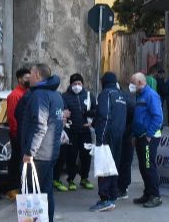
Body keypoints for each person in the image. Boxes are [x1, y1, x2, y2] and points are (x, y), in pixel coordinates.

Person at [3, 64, 64, 222]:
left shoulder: (39, 95)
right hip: (50, 153)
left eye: (31, 74)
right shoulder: (56, 95)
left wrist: (29, 152)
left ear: (37, 75)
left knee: (29, 195)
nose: (29, 77)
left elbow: (39, 126)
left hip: (37, 155)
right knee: (46, 194)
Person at [89, 72, 127, 212]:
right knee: (113, 166)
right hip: (119, 135)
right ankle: (112, 196)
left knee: (104, 167)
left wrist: (100, 137)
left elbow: (104, 116)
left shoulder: (106, 94)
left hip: (107, 136)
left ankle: (105, 199)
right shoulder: (121, 95)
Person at [130, 72, 164, 208]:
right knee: (143, 167)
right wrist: (134, 135)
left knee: (149, 166)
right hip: (140, 136)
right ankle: (148, 193)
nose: (131, 85)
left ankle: (155, 196)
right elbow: (138, 117)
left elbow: (158, 117)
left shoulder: (151, 95)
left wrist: (149, 135)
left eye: (132, 82)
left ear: (140, 83)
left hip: (149, 138)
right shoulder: (140, 96)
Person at [57, 73, 95, 191]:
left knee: (86, 155)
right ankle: (71, 180)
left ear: (82, 84)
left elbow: (95, 110)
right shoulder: (64, 96)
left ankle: (84, 178)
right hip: (71, 131)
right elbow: (63, 111)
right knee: (71, 156)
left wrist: (88, 115)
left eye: (79, 83)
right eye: (74, 84)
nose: (77, 86)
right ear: (71, 84)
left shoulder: (89, 95)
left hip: (85, 131)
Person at [6, 67, 30, 199]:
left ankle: (20, 187)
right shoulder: (15, 95)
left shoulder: (27, 93)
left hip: (23, 134)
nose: (28, 80)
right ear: (20, 79)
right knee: (16, 162)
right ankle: (12, 188)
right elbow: (12, 118)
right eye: (26, 78)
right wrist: (17, 134)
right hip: (17, 134)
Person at [116, 88, 135, 200]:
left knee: (125, 162)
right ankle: (122, 186)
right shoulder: (126, 100)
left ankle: (123, 188)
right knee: (123, 162)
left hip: (127, 136)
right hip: (124, 135)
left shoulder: (127, 102)